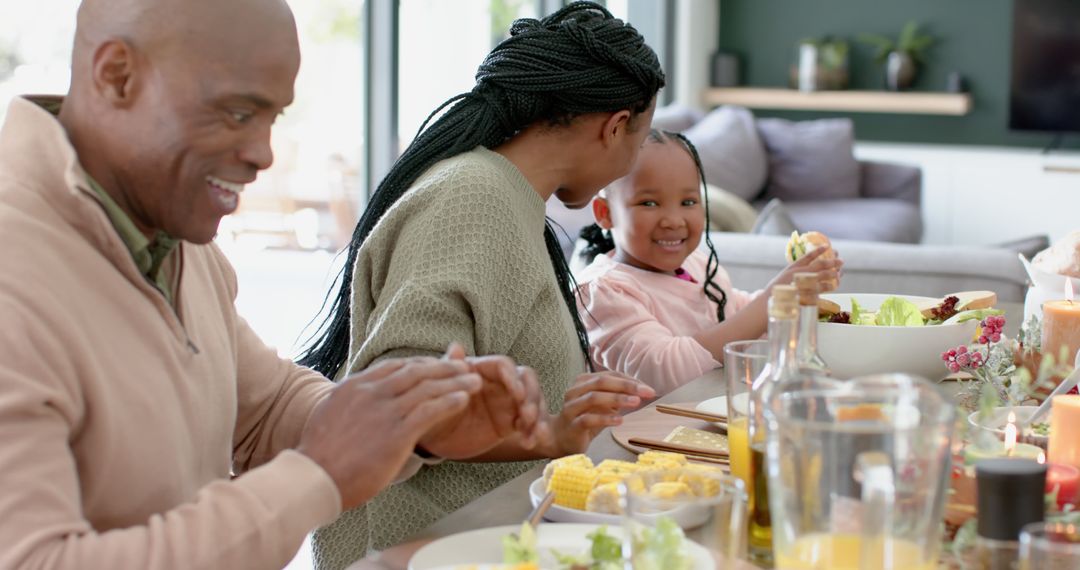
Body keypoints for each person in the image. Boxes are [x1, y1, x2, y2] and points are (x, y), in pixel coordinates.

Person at [0, 0, 549, 568]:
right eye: (238, 114)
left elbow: (265, 410)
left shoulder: (171, 234)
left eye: (273, 119)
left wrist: (413, 421)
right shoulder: (15, 268)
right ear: (117, 76)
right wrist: (317, 476)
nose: (262, 154)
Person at [296, 2, 665, 566]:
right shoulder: (474, 199)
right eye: (636, 147)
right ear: (615, 127)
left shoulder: (506, 196)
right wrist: (550, 432)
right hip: (415, 547)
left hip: (476, 536)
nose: (628, 162)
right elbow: (400, 408)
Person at [574, 129, 843, 394]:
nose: (674, 220)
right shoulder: (604, 292)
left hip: (702, 422)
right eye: (649, 203)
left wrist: (798, 299)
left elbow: (740, 316)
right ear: (605, 212)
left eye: (688, 201)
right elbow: (667, 372)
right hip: (639, 434)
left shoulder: (698, 267)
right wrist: (774, 299)